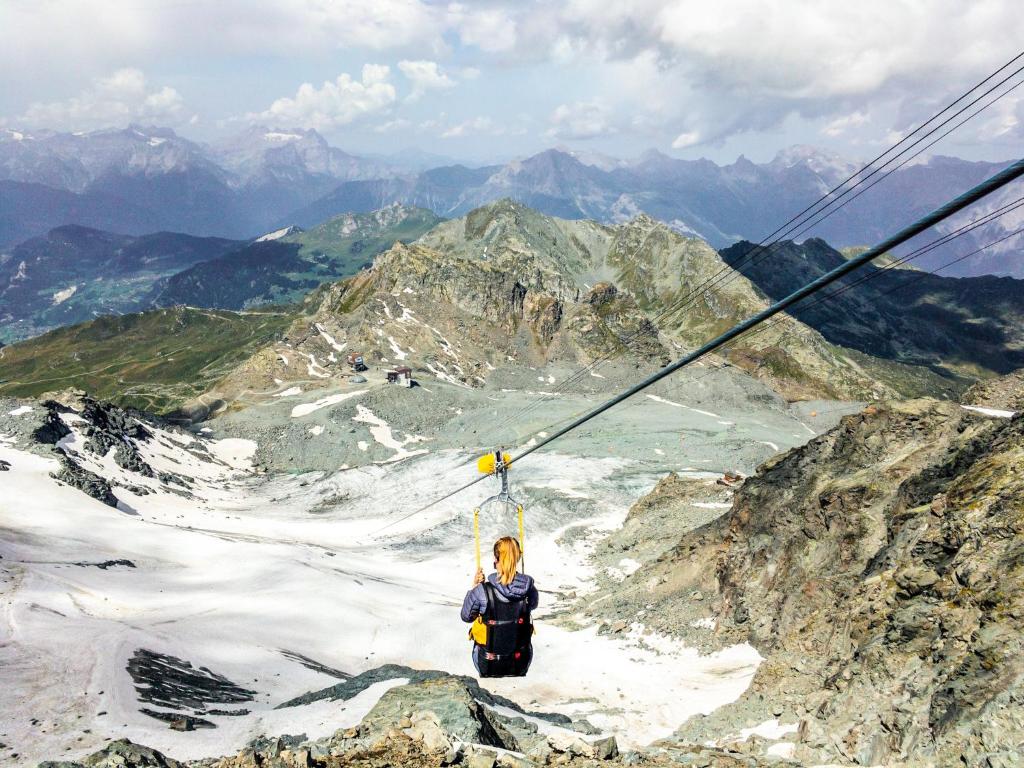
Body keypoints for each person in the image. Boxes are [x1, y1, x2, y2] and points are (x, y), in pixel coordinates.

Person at [460, 536, 538, 677]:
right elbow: (533, 605)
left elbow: (466, 616)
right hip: (520, 662)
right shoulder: (528, 588)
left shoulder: (482, 591)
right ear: (518, 559)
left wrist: (475, 587)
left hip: (487, 664)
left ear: (496, 560)